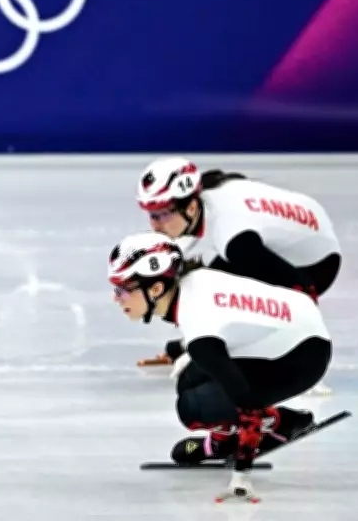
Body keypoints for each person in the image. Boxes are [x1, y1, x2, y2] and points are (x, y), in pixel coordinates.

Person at [108, 231, 332, 497]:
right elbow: (229, 320)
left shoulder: (199, 330)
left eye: (122, 290)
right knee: (190, 379)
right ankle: (224, 439)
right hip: (293, 327)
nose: (116, 299)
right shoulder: (193, 281)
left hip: (303, 356)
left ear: (156, 289)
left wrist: (241, 476)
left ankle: (278, 422)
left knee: (193, 407)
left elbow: (245, 400)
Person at [134, 156, 341, 366]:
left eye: (160, 215)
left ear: (190, 209)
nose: (154, 226)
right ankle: (195, 343)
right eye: (151, 215)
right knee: (201, 284)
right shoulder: (203, 199)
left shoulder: (233, 235)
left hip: (318, 262)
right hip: (299, 229)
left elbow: (303, 290)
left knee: (211, 289)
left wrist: (309, 362)